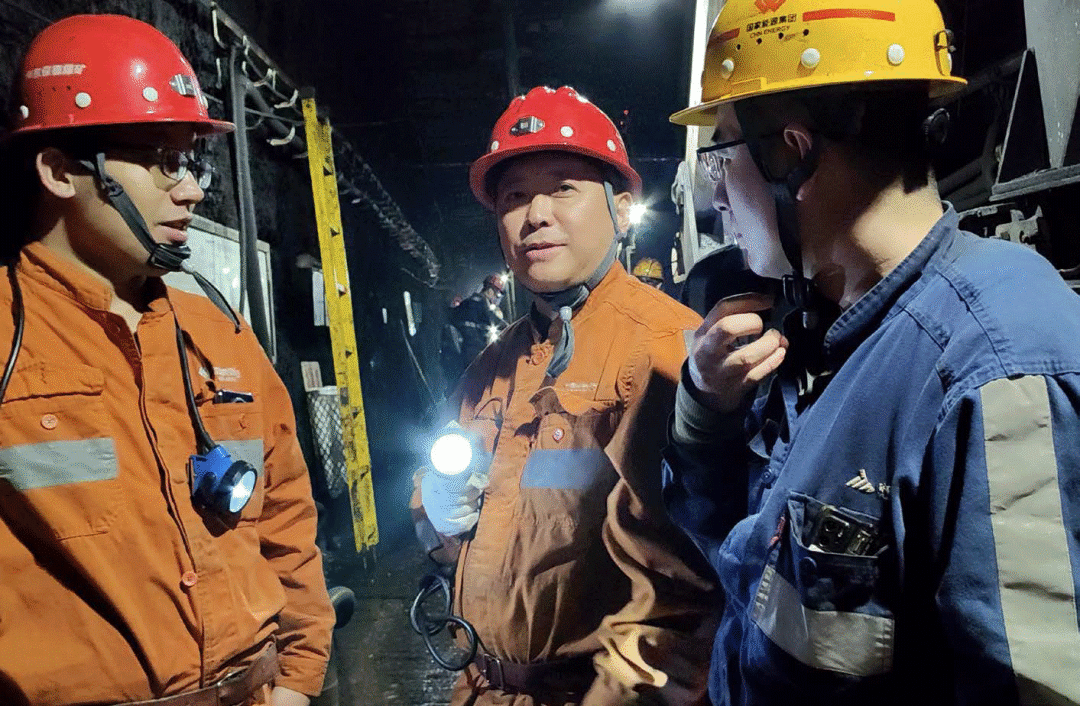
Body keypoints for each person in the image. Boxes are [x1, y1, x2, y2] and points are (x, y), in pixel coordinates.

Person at [662, 1, 1080, 704]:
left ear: (791, 151)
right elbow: (749, 567)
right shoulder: (820, 336)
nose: (716, 197)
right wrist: (703, 415)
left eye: (721, 154)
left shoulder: (998, 366)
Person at [0, 14, 333, 706]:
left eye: (190, 161)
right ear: (59, 171)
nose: (192, 189)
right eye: (161, 160)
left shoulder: (219, 335)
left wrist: (299, 680)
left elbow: (285, 519)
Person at [412, 85, 717, 706]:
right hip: (482, 688)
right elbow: (442, 504)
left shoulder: (666, 350)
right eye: (514, 197)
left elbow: (689, 597)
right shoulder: (491, 365)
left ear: (621, 210)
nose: (536, 214)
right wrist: (434, 513)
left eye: (563, 189)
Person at [441, 274, 508, 383]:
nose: (496, 298)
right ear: (490, 289)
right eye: (497, 294)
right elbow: (500, 324)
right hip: (475, 357)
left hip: (462, 359)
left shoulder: (467, 303)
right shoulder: (482, 306)